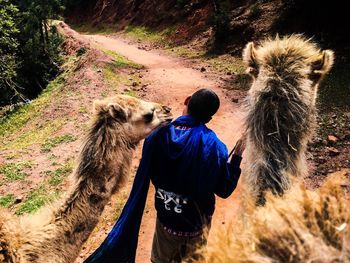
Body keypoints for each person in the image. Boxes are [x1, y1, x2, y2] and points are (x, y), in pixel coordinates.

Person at [142, 88, 245, 263]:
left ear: (187, 100)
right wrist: (236, 157)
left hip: (166, 221)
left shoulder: (158, 135)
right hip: (196, 227)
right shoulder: (214, 146)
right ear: (209, 119)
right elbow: (224, 189)